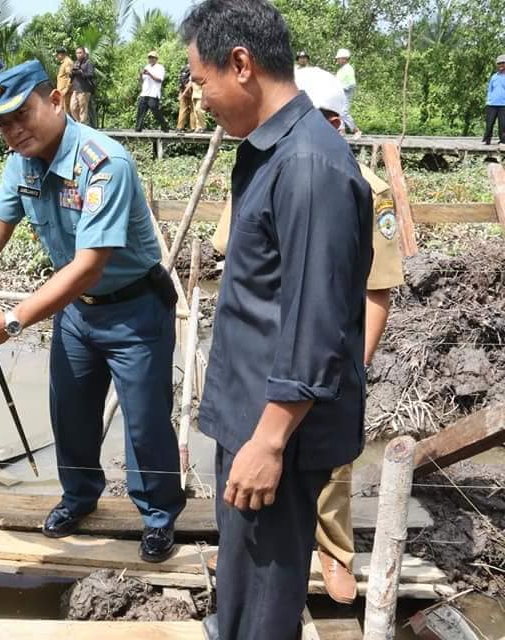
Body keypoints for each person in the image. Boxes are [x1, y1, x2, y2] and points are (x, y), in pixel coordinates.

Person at [0, 60, 186, 564]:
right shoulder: (20, 162)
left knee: (145, 422)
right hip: (76, 313)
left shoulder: (102, 163)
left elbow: (89, 266)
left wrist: (14, 319)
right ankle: (79, 497)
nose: (12, 130)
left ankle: (157, 515)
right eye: (1, 122)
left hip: (133, 310)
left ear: (57, 102)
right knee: (71, 413)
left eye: (21, 114)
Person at [182, 2, 372, 638]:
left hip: (277, 433)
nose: (198, 97)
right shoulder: (268, 151)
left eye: (201, 81)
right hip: (251, 413)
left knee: (265, 596)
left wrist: (267, 442)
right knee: (242, 578)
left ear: (241, 65)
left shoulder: (308, 166)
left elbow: (316, 324)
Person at [209, 65, 405, 607]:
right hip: (268, 375)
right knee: (260, 526)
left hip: (315, 373)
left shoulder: (341, 179)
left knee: (327, 481)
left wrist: (343, 372)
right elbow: (244, 267)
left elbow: (370, 294)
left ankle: (334, 554)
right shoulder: (267, 164)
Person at [135, 51, 169, 132]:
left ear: (156, 59)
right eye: (149, 57)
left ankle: (165, 126)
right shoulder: (146, 67)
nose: (150, 59)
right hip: (144, 93)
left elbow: (159, 80)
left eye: (152, 57)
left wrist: (149, 74)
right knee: (140, 110)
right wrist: (140, 74)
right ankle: (138, 128)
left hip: (153, 94)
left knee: (155, 111)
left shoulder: (160, 67)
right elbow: (140, 80)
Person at [335, 48, 361, 136]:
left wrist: (342, 88)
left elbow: (352, 83)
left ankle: (356, 130)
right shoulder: (341, 70)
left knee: (343, 112)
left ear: (344, 59)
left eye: (339, 58)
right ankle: (342, 130)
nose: (337, 60)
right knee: (338, 111)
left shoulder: (348, 69)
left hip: (346, 93)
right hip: (340, 94)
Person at [482, 54, 505, 145]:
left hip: (503, 105)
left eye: (503, 63)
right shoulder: (494, 77)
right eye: (499, 63)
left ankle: (503, 141)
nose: (501, 65)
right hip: (492, 104)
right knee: (489, 123)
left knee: (503, 124)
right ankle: (487, 140)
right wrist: (488, 100)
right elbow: (490, 89)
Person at [69, 47, 95, 125]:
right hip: (75, 89)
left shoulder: (88, 63)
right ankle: (79, 122)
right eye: (77, 53)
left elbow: (91, 74)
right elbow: (72, 76)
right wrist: (72, 73)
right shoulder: (76, 62)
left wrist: (81, 72)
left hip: (84, 89)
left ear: (84, 54)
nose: (78, 54)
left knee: (83, 109)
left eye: (80, 53)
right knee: (72, 108)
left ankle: (83, 124)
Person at [55, 47, 74, 119]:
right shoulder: (64, 62)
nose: (57, 57)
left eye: (58, 55)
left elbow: (70, 76)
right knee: (64, 108)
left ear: (62, 54)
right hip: (62, 90)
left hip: (65, 90)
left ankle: (69, 126)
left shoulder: (67, 62)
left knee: (66, 109)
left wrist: (67, 88)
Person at [177, 65, 192, 131]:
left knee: (182, 109)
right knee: (193, 110)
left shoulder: (183, 68)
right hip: (190, 90)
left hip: (182, 89)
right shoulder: (194, 67)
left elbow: (180, 82)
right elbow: (191, 82)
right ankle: (193, 127)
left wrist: (181, 93)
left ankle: (180, 127)